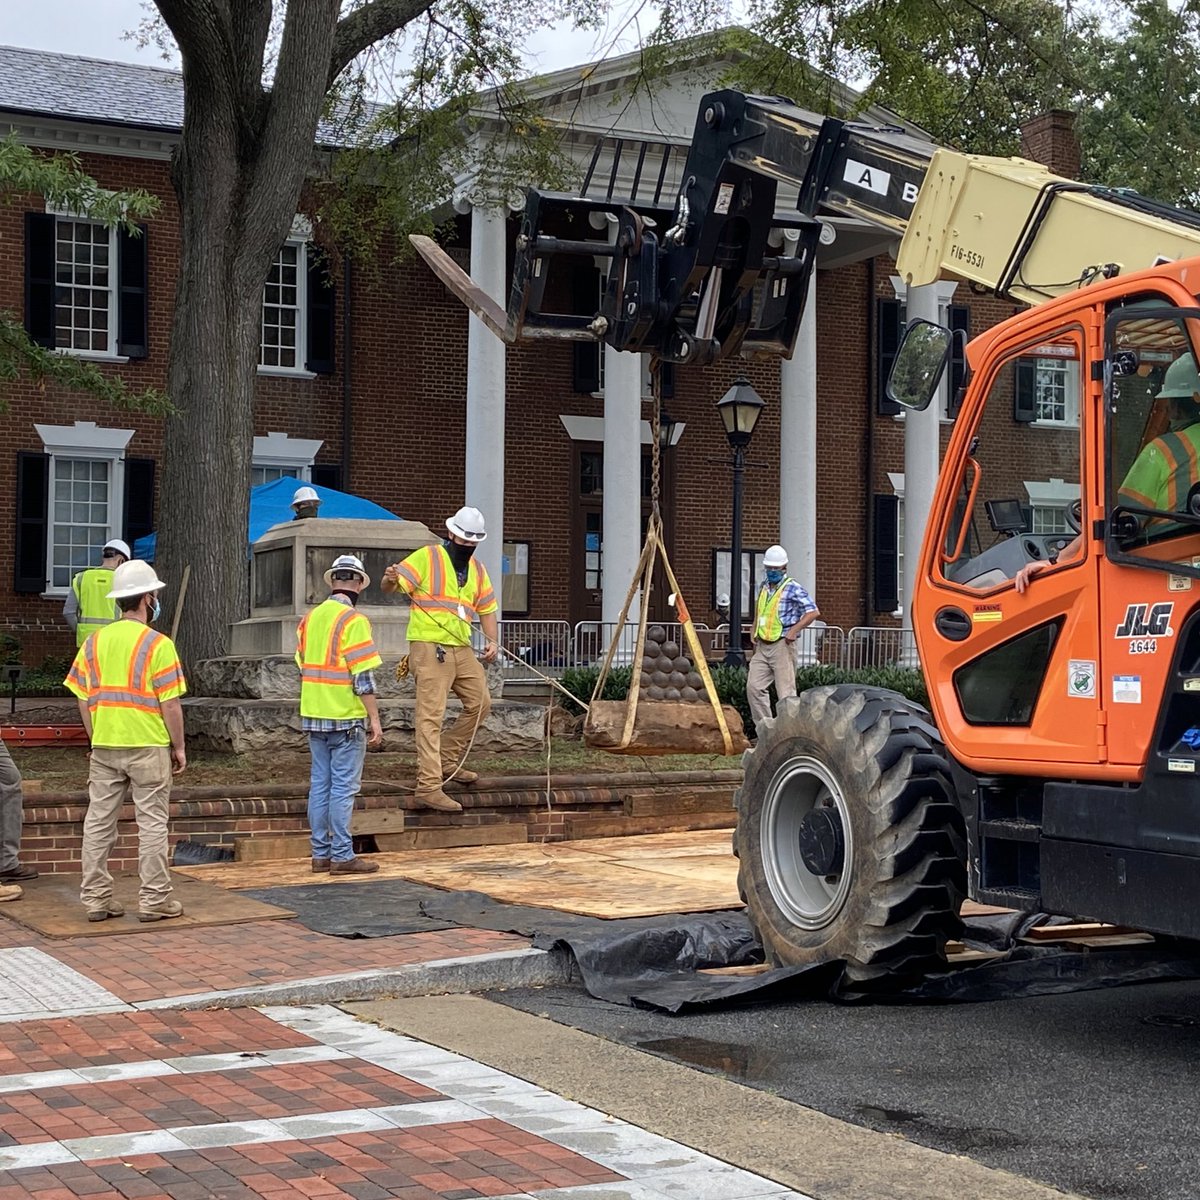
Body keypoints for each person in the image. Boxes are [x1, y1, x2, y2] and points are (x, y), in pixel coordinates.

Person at [64, 560, 187, 923]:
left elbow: (82, 697)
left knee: (99, 822)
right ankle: (154, 900)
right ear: (148, 598)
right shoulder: (158, 645)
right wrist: (178, 747)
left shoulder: (94, 643)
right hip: (148, 744)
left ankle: (96, 900)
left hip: (105, 746)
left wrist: (95, 736)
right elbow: (171, 704)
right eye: (155, 595)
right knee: (151, 824)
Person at [1015, 356, 1200, 593]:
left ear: (1179, 403)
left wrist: (1057, 561)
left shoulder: (1164, 451)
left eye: (1171, 402)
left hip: (1158, 571)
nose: (1169, 411)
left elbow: (1116, 523)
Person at [382, 506, 499, 813]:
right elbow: (391, 587)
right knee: (430, 717)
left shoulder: (478, 570)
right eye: (464, 539)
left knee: (481, 702)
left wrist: (492, 640)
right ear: (451, 534)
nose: (468, 544)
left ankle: (447, 759)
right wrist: (391, 578)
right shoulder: (428, 556)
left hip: (460, 647)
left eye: (473, 540)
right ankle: (429, 786)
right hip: (430, 646)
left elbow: (486, 608)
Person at [296, 554, 384, 874]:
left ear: (333, 581)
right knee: (343, 789)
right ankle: (342, 855)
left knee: (320, 785)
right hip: (345, 718)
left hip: (314, 715)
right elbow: (363, 678)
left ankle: (320, 854)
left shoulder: (309, 619)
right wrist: (374, 719)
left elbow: (302, 663)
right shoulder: (354, 621)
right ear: (359, 583)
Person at [746, 544, 820, 728]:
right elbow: (760, 610)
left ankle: (789, 731)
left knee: (785, 694)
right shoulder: (764, 587)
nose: (771, 571)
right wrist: (753, 628)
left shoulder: (792, 587)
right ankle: (765, 731)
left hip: (782, 645)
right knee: (754, 688)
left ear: (784, 568)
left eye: (775, 568)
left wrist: (794, 631)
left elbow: (812, 612)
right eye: (769, 568)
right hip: (763, 646)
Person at [64, 539, 130, 649]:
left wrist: (81, 631)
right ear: (121, 561)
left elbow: (68, 612)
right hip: (114, 642)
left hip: (87, 642)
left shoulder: (81, 578)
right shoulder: (124, 581)